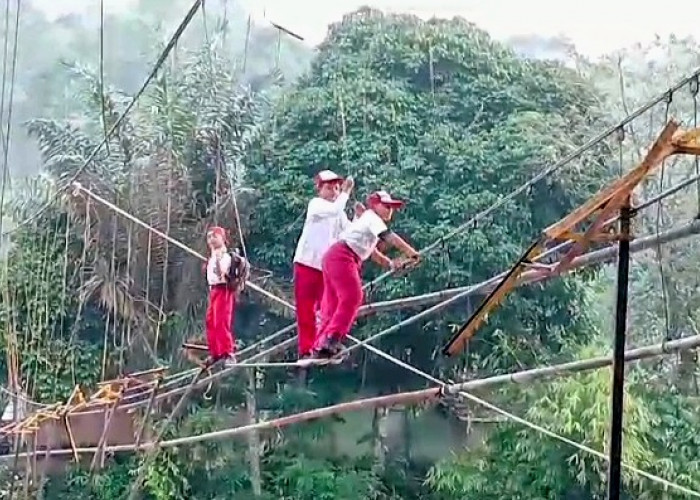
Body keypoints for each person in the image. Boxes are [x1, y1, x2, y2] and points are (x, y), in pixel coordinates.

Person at [313, 190, 420, 358]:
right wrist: (412, 253)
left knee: (332, 305)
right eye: (386, 206)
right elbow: (389, 237)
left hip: (336, 256)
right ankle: (332, 340)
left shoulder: (367, 221)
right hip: (343, 256)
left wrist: (390, 264)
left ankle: (320, 346)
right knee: (352, 297)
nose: (389, 211)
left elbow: (372, 253)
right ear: (374, 205)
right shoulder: (372, 218)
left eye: (391, 208)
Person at [292, 169, 357, 360]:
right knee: (306, 310)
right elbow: (334, 209)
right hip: (306, 263)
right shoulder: (317, 204)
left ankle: (322, 345)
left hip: (325, 268)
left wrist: (358, 218)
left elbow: (350, 233)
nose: (334, 192)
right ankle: (306, 349)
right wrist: (346, 193)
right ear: (320, 189)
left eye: (337, 188)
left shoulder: (339, 213)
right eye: (330, 188)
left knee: (328, 308)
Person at [204, 226, 238, 366]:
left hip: (223, 290)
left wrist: (217, 260)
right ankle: (216, 352)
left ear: (222, 238)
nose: (211, 239)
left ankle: (228, 352)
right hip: (214, 290)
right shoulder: (213, 256)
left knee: (221, 321)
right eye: (209, 236)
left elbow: (221, 275)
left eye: (214, 236)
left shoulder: (225, 257)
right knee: (211, 321)